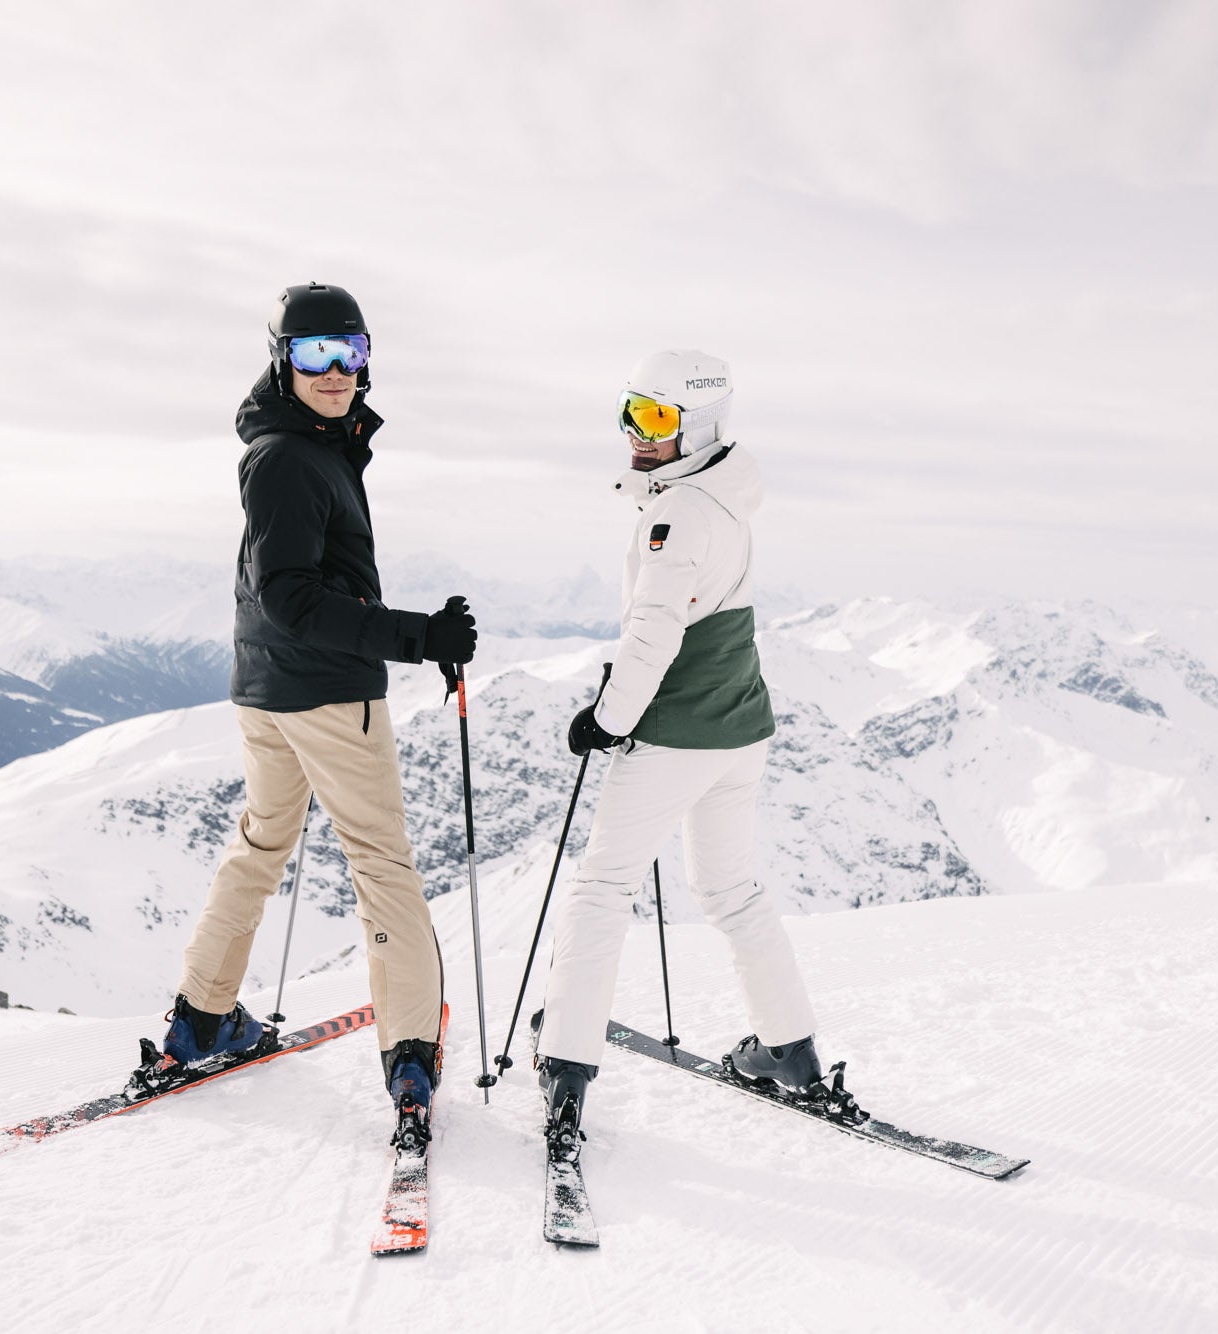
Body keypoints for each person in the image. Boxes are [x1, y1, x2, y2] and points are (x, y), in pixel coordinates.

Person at [162, 282, 475, 1136]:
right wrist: (418, 636)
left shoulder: (302, 445)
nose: (336, 372)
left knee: (262, 845)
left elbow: (290, 590)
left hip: (266, 689)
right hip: (328, 696)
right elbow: (294, 595)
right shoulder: (291, 459)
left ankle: (200, 1021)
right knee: (382, 865)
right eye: (314, 355)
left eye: (352, 353)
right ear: (282, 360)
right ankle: (411, 1057)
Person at [534, 348, 826, 1141]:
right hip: (739, 730)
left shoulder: (677, 512)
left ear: (697, 425)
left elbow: (654, 628)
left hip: (676, 732)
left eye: (658, 417)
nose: (638, 431)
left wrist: (609, 718)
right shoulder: (726, 499)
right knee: (731, 891)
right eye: (632, 411)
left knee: (600, 892)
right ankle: (790, 1053)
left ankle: (564, 1076)